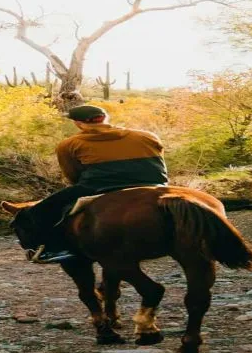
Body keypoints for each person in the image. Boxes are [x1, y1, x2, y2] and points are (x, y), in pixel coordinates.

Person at [24, 104, 168, 263]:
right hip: (155, 184)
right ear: (106, 118)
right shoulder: (147, 136)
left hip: (98, 187)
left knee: (40, 211)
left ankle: (53, 249)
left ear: (78, 123)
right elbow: (160, 163)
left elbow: (73, 175)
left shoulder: (69, 144)